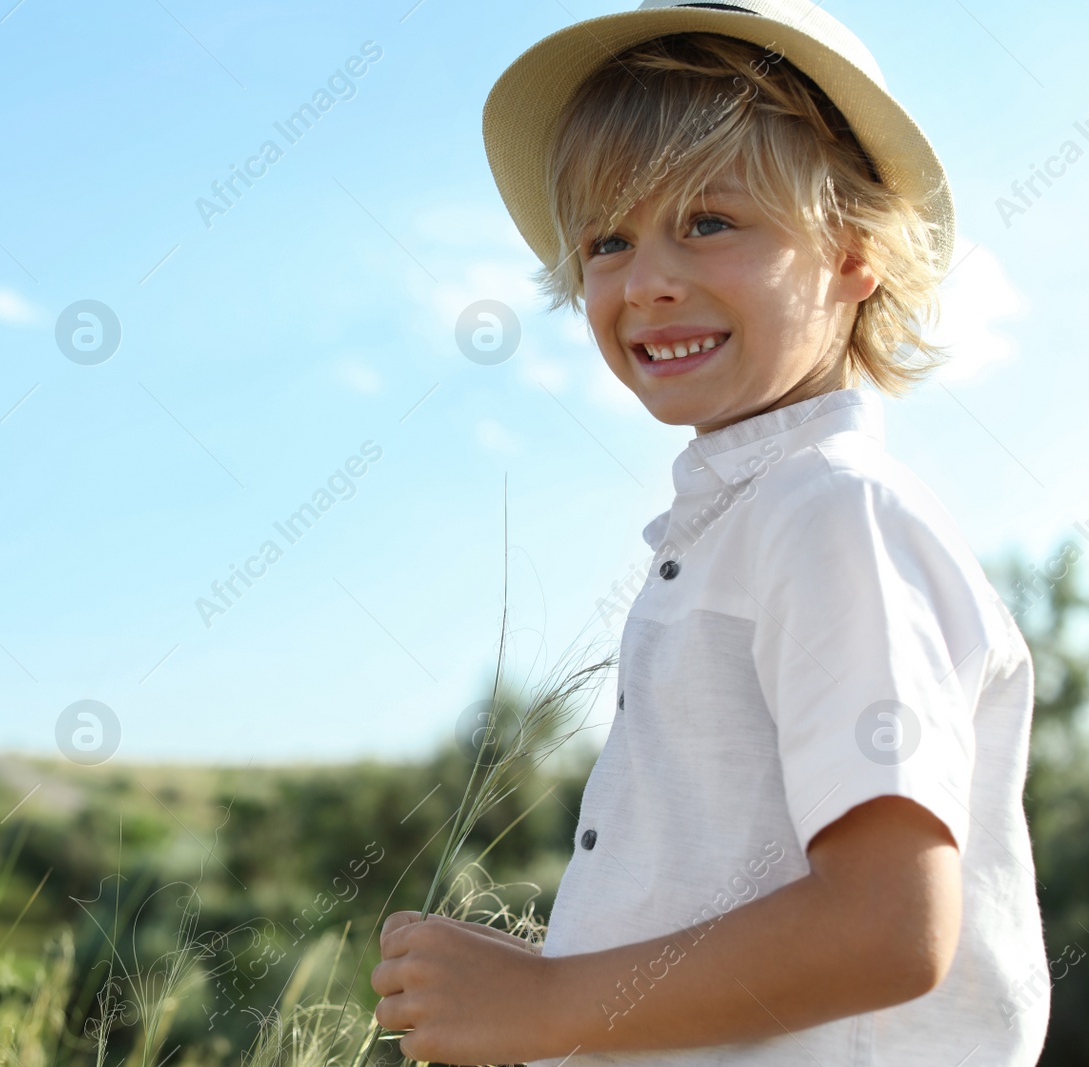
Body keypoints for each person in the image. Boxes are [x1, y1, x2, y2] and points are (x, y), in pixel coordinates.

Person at [369, 2, 1050, 1063]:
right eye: (606, 239)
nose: (645, 281)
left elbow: (889, 925)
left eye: (708, 221)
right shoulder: (752, 520)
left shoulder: (833, 514)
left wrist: (544, 1006)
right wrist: (539, 985)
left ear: (852, 250)